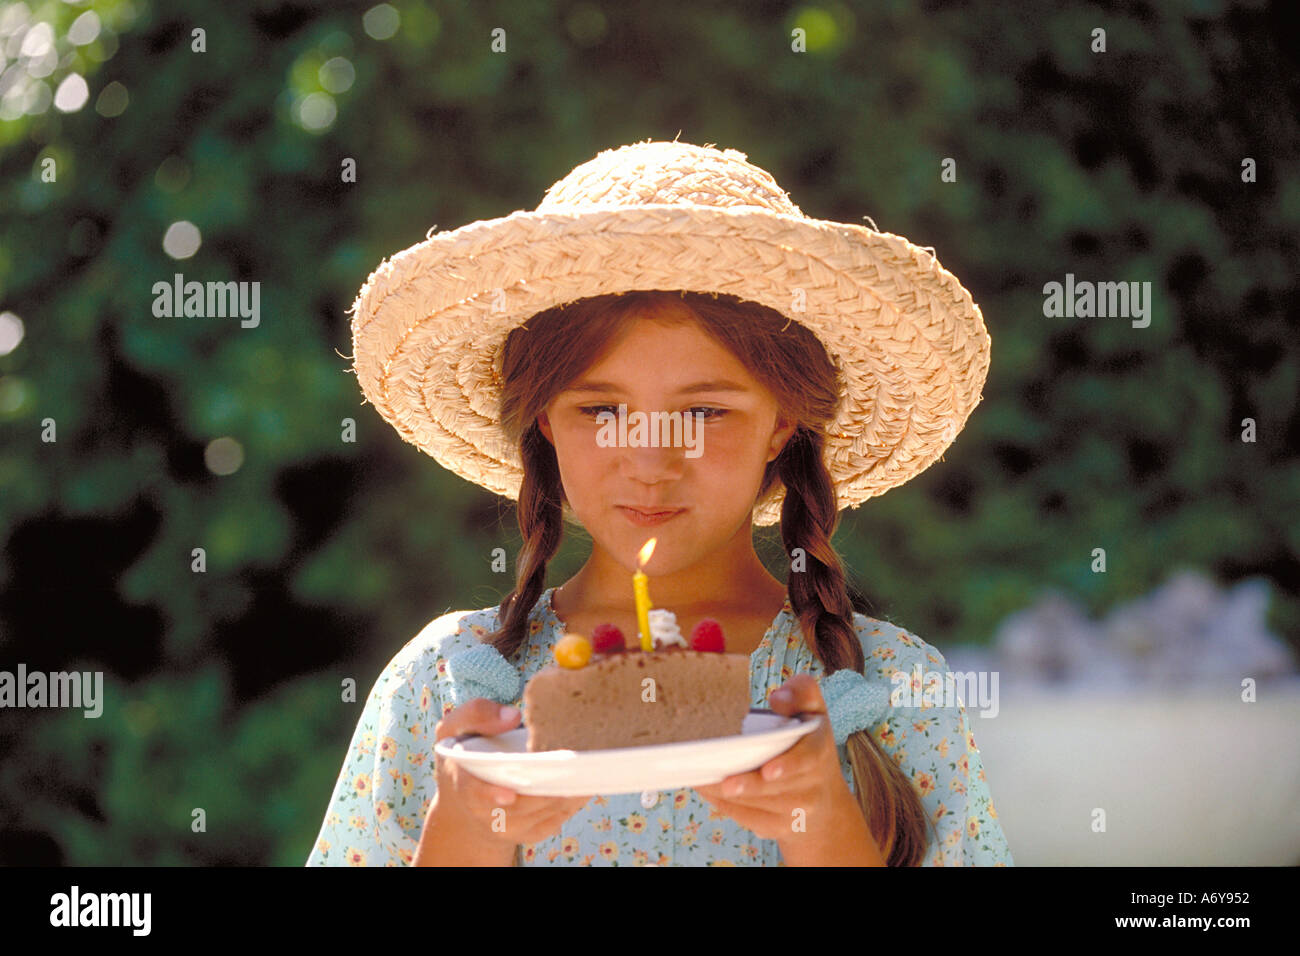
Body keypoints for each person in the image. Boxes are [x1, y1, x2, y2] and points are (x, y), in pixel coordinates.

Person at [306, 140, 1011, 866]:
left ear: (781, 425)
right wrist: (462, 833)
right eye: (601, 411)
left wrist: (825, 826)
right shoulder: (444, 689)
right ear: (545, 422)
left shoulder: (893, 688)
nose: (650, 462)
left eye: (703, 413)